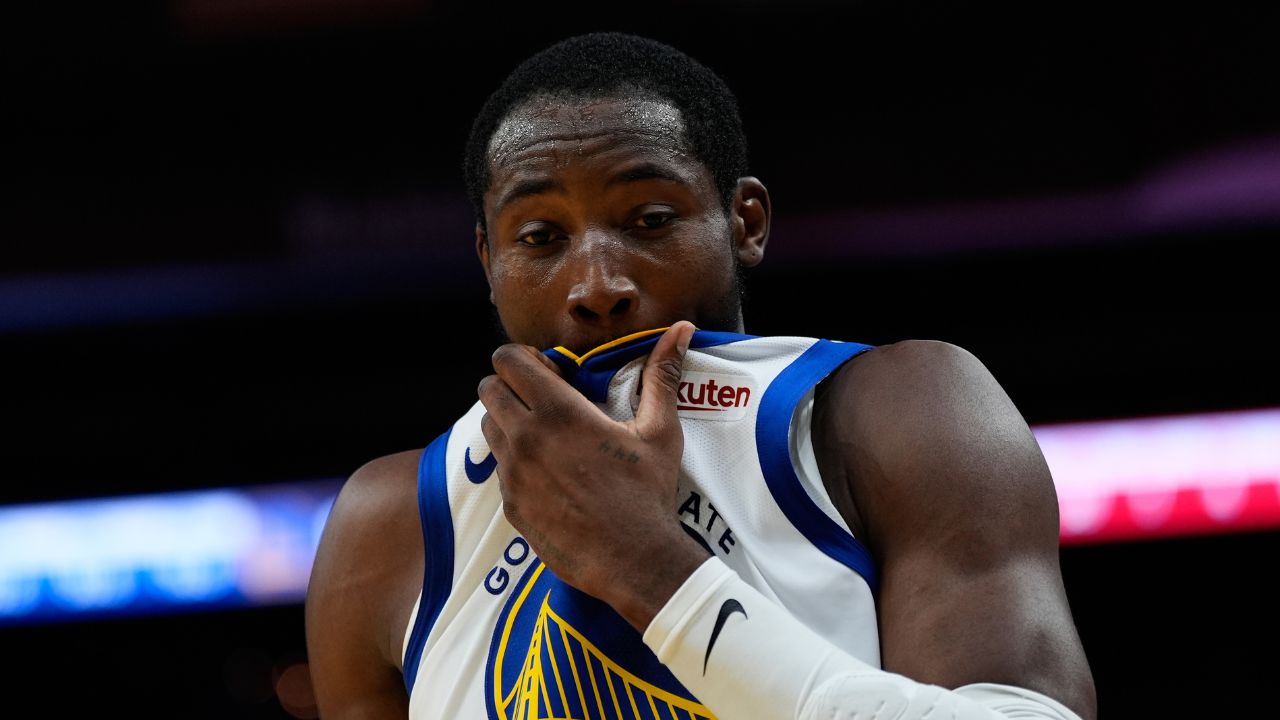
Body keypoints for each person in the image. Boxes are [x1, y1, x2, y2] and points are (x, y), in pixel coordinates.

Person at [305, 32, 1097, 720]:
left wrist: (645, 563)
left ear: (745, 221)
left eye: (649, 221)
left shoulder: (899, 406)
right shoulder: (389, 524)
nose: (597, 286)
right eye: (540, 236)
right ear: (488, 260)